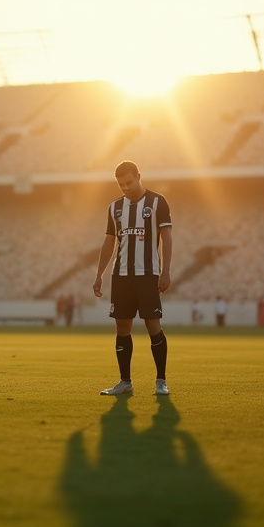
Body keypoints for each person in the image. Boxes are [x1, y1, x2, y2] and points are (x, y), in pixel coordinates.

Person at [93, 160, 173, 396]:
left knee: (152, 324)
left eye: (129, 182)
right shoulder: (115, 207)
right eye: (121, 184)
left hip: (147, 274)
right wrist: (99, 274)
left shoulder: (157, 202)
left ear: (138, 176)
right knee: (122, 325)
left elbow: (166, 236)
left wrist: (165, 270)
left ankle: (161, 380)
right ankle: (125, 381)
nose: (125, 187)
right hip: (122, 276)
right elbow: (110, 241)